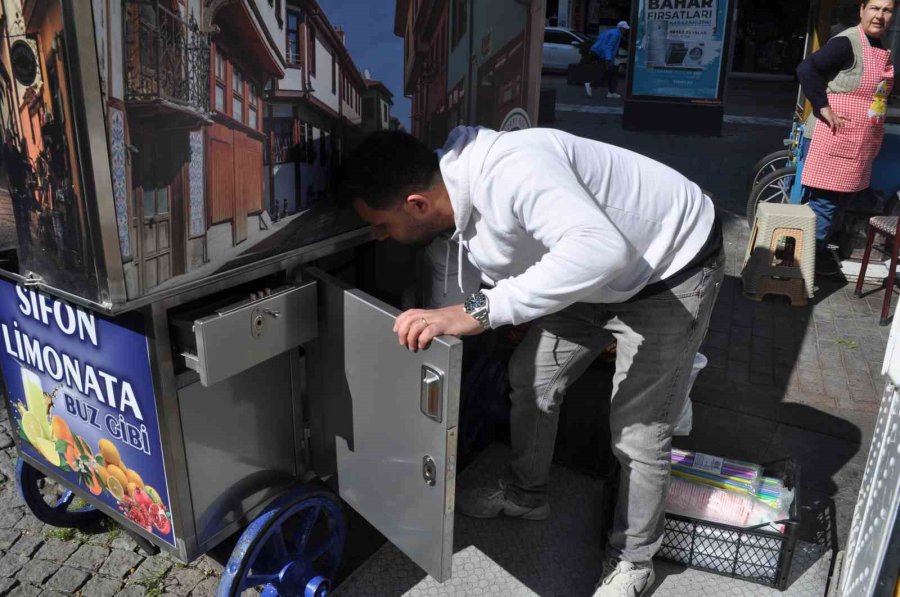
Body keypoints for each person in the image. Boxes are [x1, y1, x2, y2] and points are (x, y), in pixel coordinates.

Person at [335, 127, 723, 597]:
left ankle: (634, 559)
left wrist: (478, 312)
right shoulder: (455, 200)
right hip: (593, 279)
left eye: (380, 225)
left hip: (668, 268)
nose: (378, 238)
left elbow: (600, 250)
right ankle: (526, 495)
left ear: (417, 203)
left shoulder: (512, 172)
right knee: (531, 379)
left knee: (638, 431)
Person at [796, 0, 894, 275]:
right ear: (861, 9)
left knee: (839, 204)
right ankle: (802, 269)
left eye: (887, 10)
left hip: (857, 141)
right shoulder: (847, 42)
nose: (880, 15)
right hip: (834, 138)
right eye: (875, 8)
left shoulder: (881, 46)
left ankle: (816, 257)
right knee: (824, 205)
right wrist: (823, 108)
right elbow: (807, 70)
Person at [585, 21, 630, 99]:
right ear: (621, 28)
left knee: (611, 73)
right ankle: (591, 85)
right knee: (608, 73)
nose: (625, 30)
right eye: (625, 28)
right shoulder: (616, 34)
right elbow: (609, 46)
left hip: (599, 52)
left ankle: (611, 92)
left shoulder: (610, 31)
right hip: (604, 56)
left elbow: (599, 38)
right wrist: (608, 59)